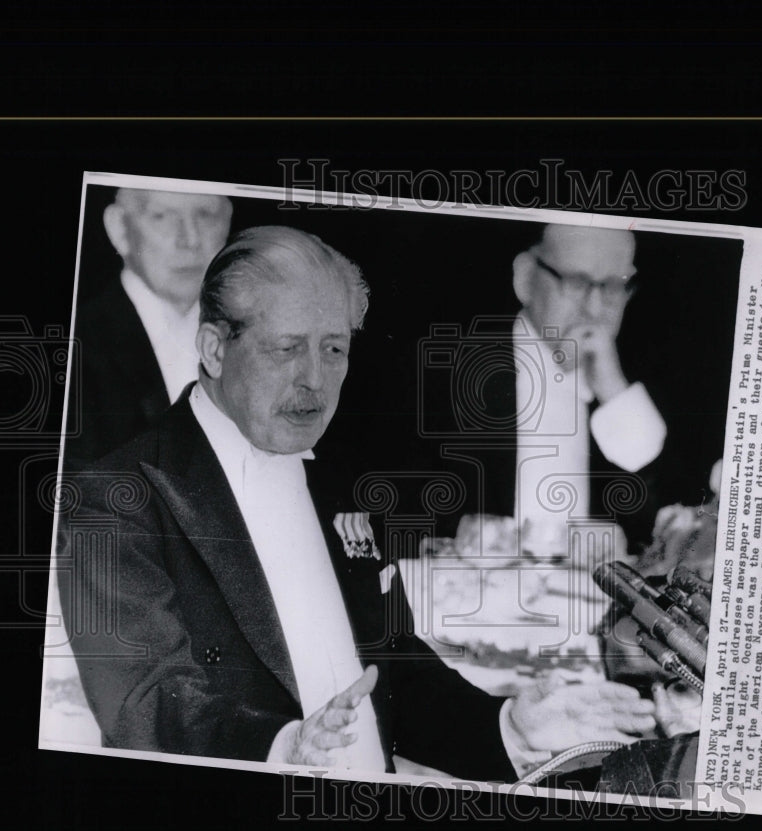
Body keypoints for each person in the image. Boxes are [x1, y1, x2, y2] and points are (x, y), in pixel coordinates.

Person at [57, 225, 658, 780]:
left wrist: (508, 726)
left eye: (334, 350)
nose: (315, 381)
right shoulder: (116, 499)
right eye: (287, 349)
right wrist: (281, 749)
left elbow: (397, 673)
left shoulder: (335, 477)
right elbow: (146, 701)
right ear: (214, 349)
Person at [459, 223, 668, 554]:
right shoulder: (459, 370)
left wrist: (612, 390)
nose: (595, 309)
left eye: (614, 286)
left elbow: (656, 530)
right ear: (525, 277)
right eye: (577, 283)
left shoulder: (636, 382)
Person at [65, 187, 233, 466]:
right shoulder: (74, 349)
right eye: (162, 216)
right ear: (119, 227)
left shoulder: (249, 335)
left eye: (205, 214)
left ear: (227, 221)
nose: (189, 239)